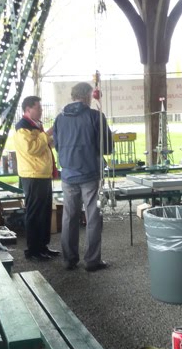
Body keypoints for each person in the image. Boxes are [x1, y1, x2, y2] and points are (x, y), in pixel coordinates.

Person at [53, 82, 113, 272]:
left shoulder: (59, 118)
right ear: (88, 96)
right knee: (93, 217)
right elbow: (107, 147)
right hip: (89, 173)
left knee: (69, 217)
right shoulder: (95, 116)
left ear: (72, 96)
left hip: (68, 174)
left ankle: (69, 259)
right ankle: (92, 261)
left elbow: (57, 145)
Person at [14, 96, 60, 262]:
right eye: (38, 108)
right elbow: (31, 149)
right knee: (35, 213)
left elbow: (43, 146)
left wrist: (52, 139)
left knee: (44, 212)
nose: (41, 111)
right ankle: (33, 250)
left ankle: (43, 246)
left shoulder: (36, 125)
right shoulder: (23, 127)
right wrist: (47, 135)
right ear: (28, 109)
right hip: (32, 175)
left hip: (42, 174)